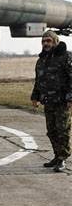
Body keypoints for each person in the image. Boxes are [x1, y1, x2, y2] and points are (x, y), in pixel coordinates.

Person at [31, 30, 72, 173]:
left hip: (62, 102)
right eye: (43, 41)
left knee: (63, 131)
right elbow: (39, 80)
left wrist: (70, 98)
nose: (45, 44)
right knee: (51, 131)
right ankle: (56, 156)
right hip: (48, 101)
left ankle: (62, 158)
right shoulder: (41, 60)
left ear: (55, 41)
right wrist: (35, 96)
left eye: (48, 41)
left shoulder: (66, 57)